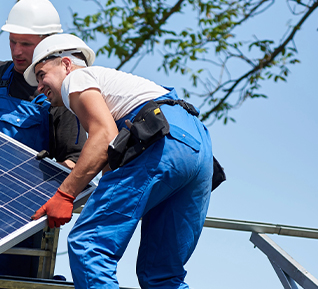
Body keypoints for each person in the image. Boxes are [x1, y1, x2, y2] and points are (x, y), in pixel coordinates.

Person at [27, 34, 213, 288]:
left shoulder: (76, 80)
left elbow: (104, 135)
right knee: (162, 273)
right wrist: (80, 173)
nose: (39, 86)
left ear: (66, 64)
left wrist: (66, 194)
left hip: (160, 142)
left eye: (41, 74)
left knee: (88, 246)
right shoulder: (114, 89)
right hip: (196, 145)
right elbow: (112, 154)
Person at [0, 0, 86, 169]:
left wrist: (39, 179)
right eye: (12, 41)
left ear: (48, 43)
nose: (16, 51)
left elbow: (74, 162)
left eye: (26, 44)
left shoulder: (59, 94)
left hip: (16, 192)